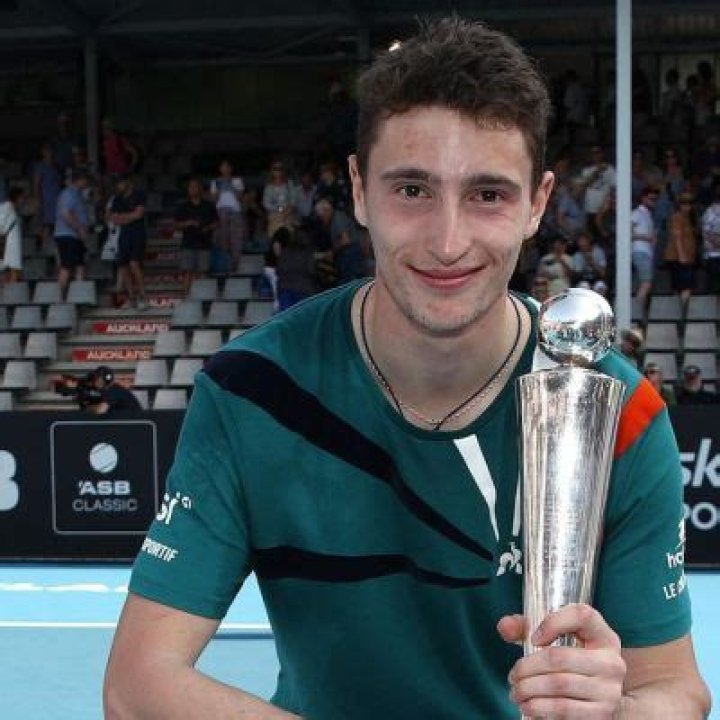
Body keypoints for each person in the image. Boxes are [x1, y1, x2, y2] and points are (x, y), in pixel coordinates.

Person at [105, 18, 710, 720]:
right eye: (413, 191)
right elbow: (136, 686)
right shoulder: (254, 392)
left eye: (488, 194)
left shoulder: (617, 412)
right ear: (360, 190)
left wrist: (615, 709)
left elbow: (676, 689)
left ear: (537, 204)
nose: (447, 243)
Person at [174, 178, 219, 296]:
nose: (193, 189)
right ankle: (186, 296)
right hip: (188, 244)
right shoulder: (183, 206)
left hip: (204, 244)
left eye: (195, 187)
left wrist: (207, 228)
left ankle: (202, 297)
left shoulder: (209, 205)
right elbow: (176, 225)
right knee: (187, 272)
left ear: (200, 189)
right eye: (191, 187)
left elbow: (216, 223)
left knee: (203, 273)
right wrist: (188, 223)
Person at [110, 175, 148, 310]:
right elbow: (114, 219)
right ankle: (131, 298)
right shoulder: (117, 199)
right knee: (124, 265)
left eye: (120, 183)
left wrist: (123, 217)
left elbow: (139, 214)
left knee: (134, 263)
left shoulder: (139, 195)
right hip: (124, 234)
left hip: (138, 234)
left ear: (127, 182)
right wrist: (130, 217)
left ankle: (143, 296)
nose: (118, 186)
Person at [54, 169, 90, 295]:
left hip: (76, 237)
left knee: (80, 264)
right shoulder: (68, 193)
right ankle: (59, 297)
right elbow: (66, 213)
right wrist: (79, 228)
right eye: (85, 180)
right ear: (80, 180)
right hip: (67, 235)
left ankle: (79, 294)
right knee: (67, 266)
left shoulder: (78, 194)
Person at [664, 192, 698, 313]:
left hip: (687, 257)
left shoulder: (688, 218)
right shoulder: (677, 217)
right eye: (684, 204)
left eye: (689, 204)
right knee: (685, 287)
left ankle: (679, 313)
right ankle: (682, 313)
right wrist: (682, 256)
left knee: (681, 287)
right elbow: (677, 237)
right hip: (679, 258)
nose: (687, 206)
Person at [210, 159, 246, 272]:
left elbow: (240, 197)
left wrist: (230, 185)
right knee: (222, 239)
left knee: (236, 240)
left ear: (231, 168)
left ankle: (235, 266)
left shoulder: (237, 180)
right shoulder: (215, 181)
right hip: (221, 211)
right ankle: (224, 265)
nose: (225, 169)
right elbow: (213, 199)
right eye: (223, 167)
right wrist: (220, 189)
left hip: (235, 211)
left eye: (227, 167)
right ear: (220, 169)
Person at [630, 186, 659, 310]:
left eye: (655, 199)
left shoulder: (647, 214)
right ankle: (636, 312)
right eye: (651, 199)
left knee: (644, 283)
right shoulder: (637, 213)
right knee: (646, 283)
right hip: (640, 251)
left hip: (646, 252)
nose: (653, 202)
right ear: (643, 198)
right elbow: (627, 232)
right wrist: (646, 237)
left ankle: (638, 311)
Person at [0, 186, 24, 283]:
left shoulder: (12, 209)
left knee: (12, 270)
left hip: (11, 244)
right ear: (17, 197)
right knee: (10, 270)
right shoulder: (6, 207)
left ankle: (9, 289)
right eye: (22, 198)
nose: (23, 200)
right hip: (8, 244)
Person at [701, 183, 720, 293]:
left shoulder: (709, 211)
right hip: (714, 253)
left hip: (713, 253)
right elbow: (707, 232)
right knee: (715, 285)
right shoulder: (710, 211)